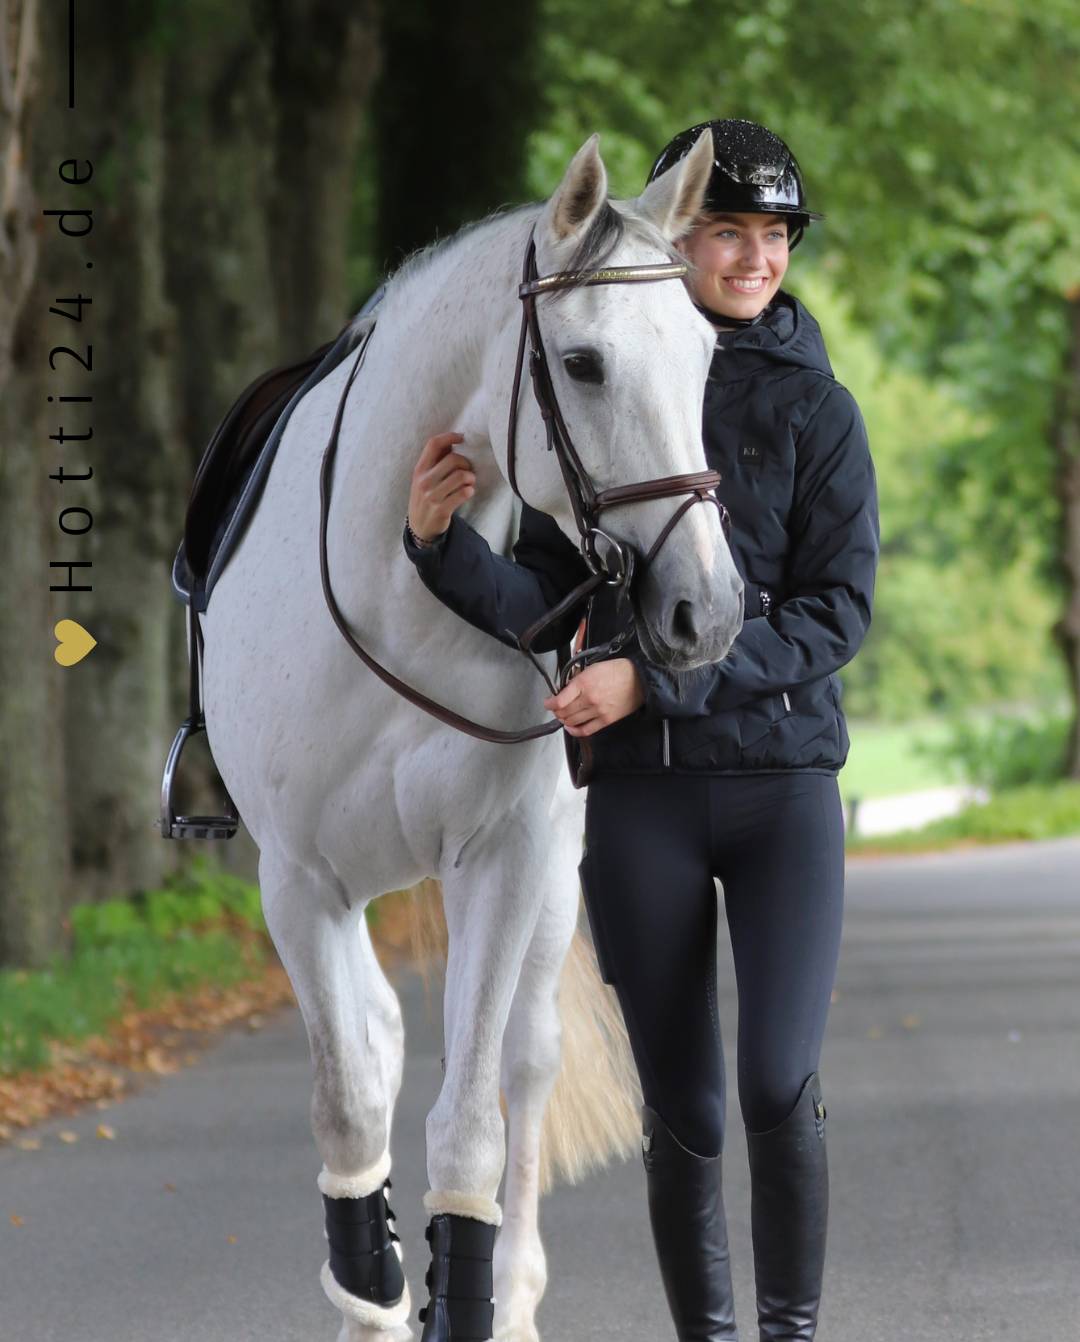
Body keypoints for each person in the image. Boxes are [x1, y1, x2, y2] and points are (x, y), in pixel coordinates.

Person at [402, 118, 879, 1342]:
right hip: (644, 804)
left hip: (780, 789)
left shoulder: (821, 412)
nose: (756, 257)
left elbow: (837, 615)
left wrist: (646, 685)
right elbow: (551, 609)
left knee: (775, 1083)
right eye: (730, 230)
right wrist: (439, 547)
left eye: (774, 236)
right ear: (680, 238)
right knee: (686, 1112)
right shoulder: (605, 387)